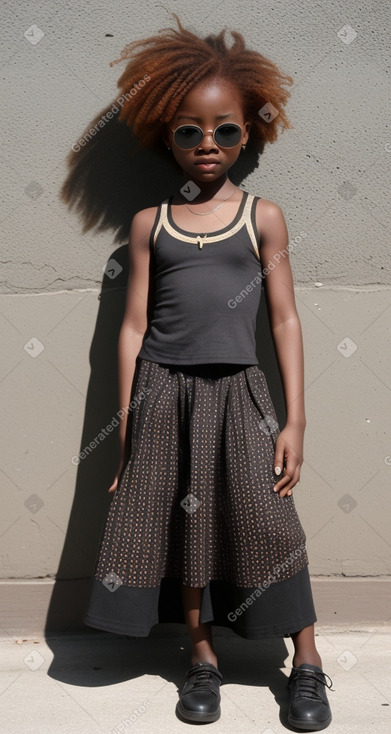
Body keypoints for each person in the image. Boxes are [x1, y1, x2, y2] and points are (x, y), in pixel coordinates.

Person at [83, 13, 333, 730]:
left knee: (267, 520)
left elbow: (282, 319)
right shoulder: (148, 223)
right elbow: (132, 327)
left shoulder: (263, 217)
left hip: (240, 393)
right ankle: (201, 657)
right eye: (189, 131)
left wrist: (295, 419)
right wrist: (127, 424)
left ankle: (307, 663)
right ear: (167, 134)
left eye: (224, 129)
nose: (207, 144)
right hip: (163, 393)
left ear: (246, 132)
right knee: (179, 526)